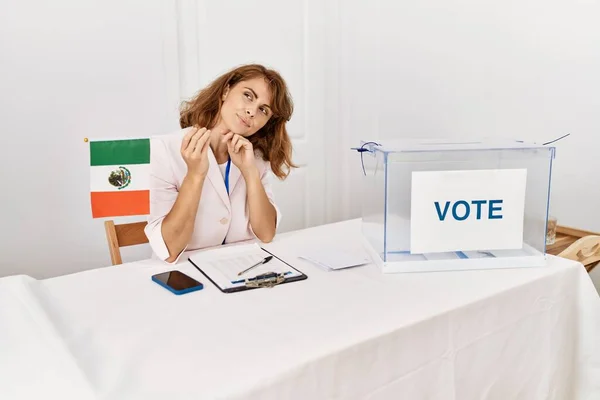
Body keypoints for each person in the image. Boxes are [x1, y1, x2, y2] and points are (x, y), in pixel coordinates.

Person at [144, 64, 295, 263]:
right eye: (248, 95)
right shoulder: (163, 149)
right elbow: (170, 250)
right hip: (183, 273)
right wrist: (195, 175)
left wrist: (250, 173)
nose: (251, 111)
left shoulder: (255, 157)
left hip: (242, 267)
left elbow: (266, 234)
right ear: (225, 91)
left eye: (263, 110)